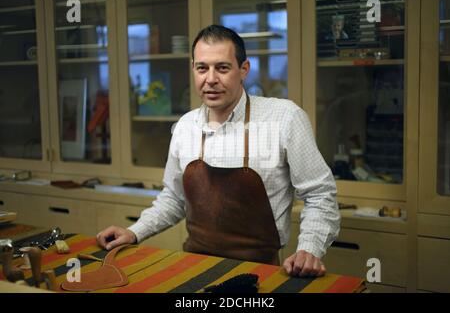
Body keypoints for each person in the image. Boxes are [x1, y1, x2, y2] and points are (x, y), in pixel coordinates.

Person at [97, 25, 340, 278]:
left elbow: (320, 194)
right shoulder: (185, 126)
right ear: (193, 69)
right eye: (202, 68)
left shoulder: (285, 118)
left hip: (259, 272)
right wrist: (134, 232)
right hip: (194, 268)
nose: (210, 79)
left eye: (222, 68)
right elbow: (174, 198)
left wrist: (309, 249)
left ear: (243, 69)